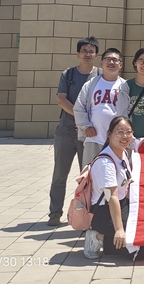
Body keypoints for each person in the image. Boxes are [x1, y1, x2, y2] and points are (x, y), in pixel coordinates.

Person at [47, 36, 100, 227]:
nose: (87, 54)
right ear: (78, 54)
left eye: (91, 51)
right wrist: (80, 119)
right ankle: (55, 213)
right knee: (59, 174)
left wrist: (85, 124)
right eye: (84, 51)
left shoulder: (100, 75)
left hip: (90, 133)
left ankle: (86, 214)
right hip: (67, 131)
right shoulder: (68, 74)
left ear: (96, 55)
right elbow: (61, 99)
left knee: (88, 176)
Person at [83, 116, 144, 260]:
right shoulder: (105, 163)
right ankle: (97, 237)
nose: (125, 136)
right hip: (104, 212)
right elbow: (111, 197)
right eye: (120, 132)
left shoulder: (123, 153)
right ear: (109, 134)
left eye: (128, 132)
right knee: (141, 249)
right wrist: (119, 230)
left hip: (122, 205)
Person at [74, 48, 125, 167]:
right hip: (94, 138)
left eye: (115, 60)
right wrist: (85, 126)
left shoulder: (125, 86)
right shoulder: (91, 84)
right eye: (108, 59)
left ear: (120, 64)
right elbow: (79, 107)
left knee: (116, 172)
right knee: (90, 172)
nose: (111, 62)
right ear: (101, 63)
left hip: (117, 140)